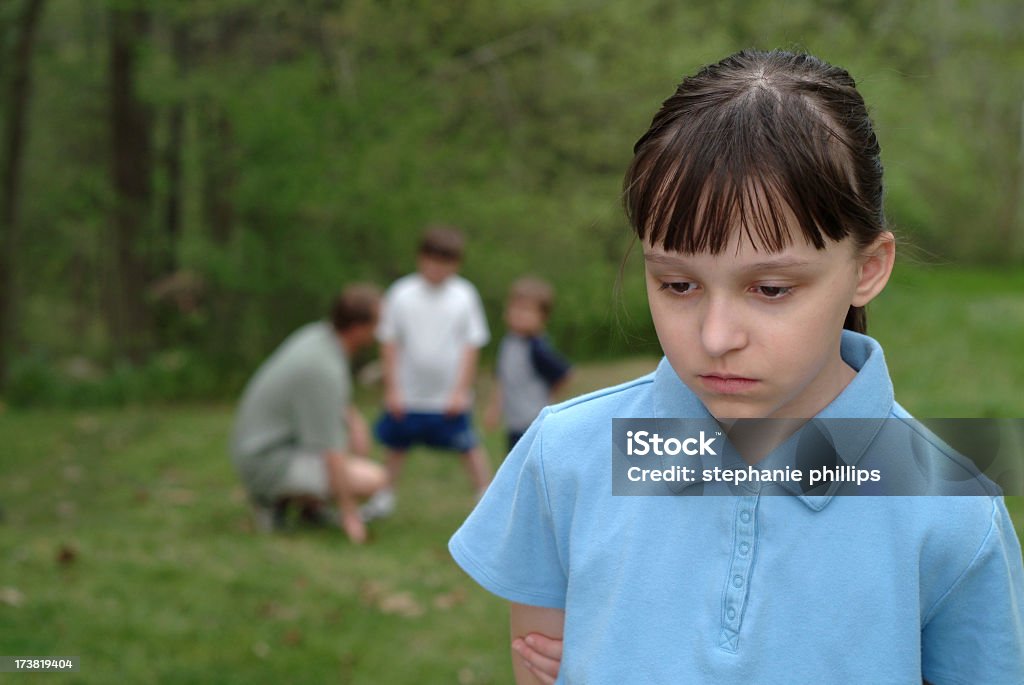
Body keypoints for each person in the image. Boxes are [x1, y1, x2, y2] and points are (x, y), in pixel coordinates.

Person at [448, 50, 1024, 684]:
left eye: (771, 289)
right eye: (677, 284)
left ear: (868, 269)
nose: (716, 337)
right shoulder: (565, 458)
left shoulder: (953, 505)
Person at [231, 284, 388, 544]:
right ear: (359, 328)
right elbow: (331, 453)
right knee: (373, 479)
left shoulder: (318, 337)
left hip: (260, 447)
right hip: (265, 461)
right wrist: (350, 516)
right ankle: (271, 501)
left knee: (348, 446)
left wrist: (355, 422)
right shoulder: (324, 369)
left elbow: (331, 401)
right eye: (377, 324)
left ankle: (309, 510)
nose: (380, 332)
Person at [360, 226, 492, 521]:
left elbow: (472, 345)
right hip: (409, 393)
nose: (436, 268)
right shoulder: (401, 294)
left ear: (456, 264)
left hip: (448, 395)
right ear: (420, 258)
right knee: (396, 447)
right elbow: (389, 342)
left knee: (468, 446)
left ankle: (486, 497)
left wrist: (460, 391)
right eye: (431, 259)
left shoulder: (464, 295)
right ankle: (383, 497)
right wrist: (393, 389)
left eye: (444, 261)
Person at [485, 277, 572, 451]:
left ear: (543, 317)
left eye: (526, 311)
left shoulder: (537, 348)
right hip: (514, 422)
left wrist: (550, 399)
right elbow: (502, 378)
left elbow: (564, 374)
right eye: (515, 308)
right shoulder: (508, 342)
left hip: (534, 422)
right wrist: (495, 408)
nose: (518, 314)